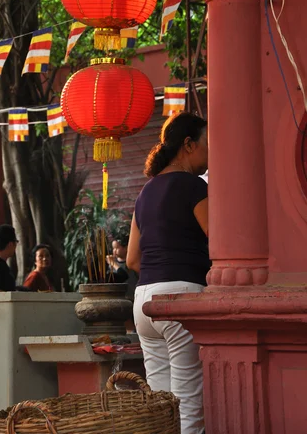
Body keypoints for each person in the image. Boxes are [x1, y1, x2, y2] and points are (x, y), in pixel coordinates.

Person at [127, 112, 209, 434]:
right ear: (188, 145)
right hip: (181, 299)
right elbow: (219, 245)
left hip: (144, 302)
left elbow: (133, 259)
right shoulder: (193, 186)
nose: (210, 152)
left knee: (161, 406)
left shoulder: (145, 192)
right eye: (207, 144)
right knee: (188, 404)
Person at [106, 234, 138, 301]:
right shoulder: (111, 263)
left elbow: (123, 274)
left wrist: (112, 263)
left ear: (126, 248)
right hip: (116, 298)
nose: (114, 251)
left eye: (117, 248)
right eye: (113, 248)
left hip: (131, 297)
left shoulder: (130, 263)